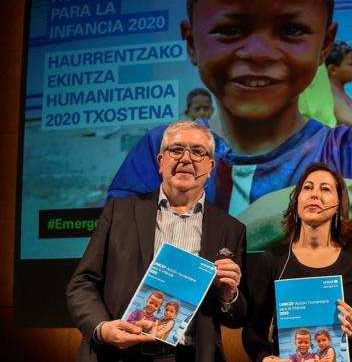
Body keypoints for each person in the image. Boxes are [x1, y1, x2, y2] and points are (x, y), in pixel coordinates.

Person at [107, 0, 352, 250]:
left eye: (291, 30)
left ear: (324, 45)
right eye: (230, 30)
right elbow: (120, 278)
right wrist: (248, 231)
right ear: (191, 42)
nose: (259, 52)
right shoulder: (157, 153)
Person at [66, 121, 247, 362]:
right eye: (176, 149)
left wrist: (229, 295)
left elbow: (237, 316)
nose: (186, 158)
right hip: (118, 354)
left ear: (211, 166)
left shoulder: (231, 229)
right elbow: (82, 283)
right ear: (161, 162)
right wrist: (101, 328)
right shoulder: (119, 212)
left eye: (197, 151)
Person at [242, 162, 352, 362]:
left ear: (338, 205)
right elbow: (252, 332)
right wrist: (263, 357)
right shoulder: (272, 260)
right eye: (307, 188)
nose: (314, 194)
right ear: (297, 200)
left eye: (325, 189)